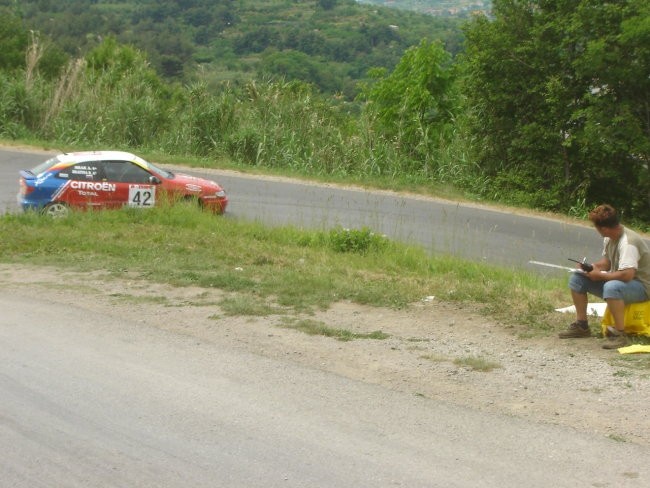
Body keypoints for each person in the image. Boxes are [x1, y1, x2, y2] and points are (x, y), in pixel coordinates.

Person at [559, 204, 650, 349]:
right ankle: (581, 326)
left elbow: (628, 275)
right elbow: (607, 262)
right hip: (624, 283)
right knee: (577, 279)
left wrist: (599, 276)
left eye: (596, 228)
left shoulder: (628, 242)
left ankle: (620, 335)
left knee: (611, 287)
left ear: (604, 229)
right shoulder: (610, 237)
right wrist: (593, 267)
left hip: (641, 287)